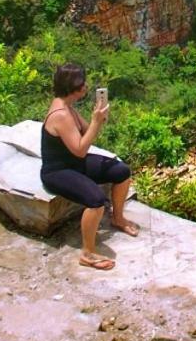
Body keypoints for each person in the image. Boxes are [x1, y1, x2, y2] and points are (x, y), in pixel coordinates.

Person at [40, 63, 138, 271]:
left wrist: (98, 119)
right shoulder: (60, 114)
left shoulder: (68, 108)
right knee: (95, 201)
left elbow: (87, 133)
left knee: (121, 171)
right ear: (72, 87)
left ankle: (118, 218)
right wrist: (94, 122)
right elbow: (80, 149)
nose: (86, 87)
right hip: (58, 171)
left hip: (74, 162)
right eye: (82, 84)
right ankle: (88, 252)